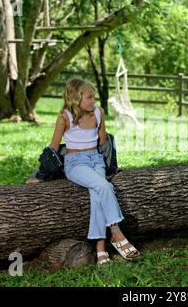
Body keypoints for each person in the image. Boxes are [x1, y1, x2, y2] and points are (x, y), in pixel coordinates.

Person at [48, 78, 140, 264]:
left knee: (96, 193)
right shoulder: (64, 117)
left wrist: (110, 161)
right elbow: (52, 149)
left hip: (96, 161)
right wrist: (39, 175)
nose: (93, 101)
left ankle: (100, 248)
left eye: (94, 97)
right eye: (89, 97)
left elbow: (103, 141)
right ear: (76, 98)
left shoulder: (99, 113)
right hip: (75, 164)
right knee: (104, 186)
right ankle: (116, 232)